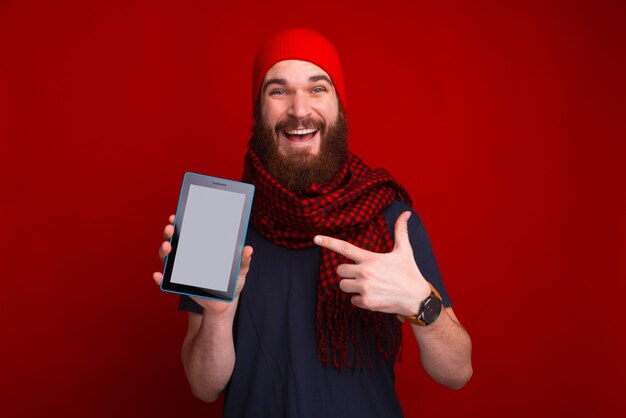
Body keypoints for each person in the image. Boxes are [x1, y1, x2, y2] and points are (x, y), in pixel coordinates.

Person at [153, 28, 472, 417]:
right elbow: (204, 387)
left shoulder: (389, 217)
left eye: (318, 88)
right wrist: (219, 316)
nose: (300, 109)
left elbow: (457, 372)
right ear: (258, 109)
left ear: (339, 106)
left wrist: (421, 302)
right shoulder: (214, 217)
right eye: (279, 90)